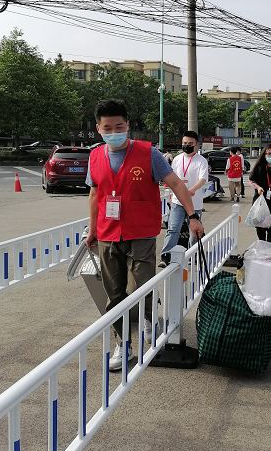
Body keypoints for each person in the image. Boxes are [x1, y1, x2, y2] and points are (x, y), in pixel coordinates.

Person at [86, 99, 204, 371]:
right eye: (107, 128)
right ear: (98, 129)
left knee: (141, 287)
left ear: (127, 125)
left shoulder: (148, 153)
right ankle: (123, 343)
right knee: (114, 295)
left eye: (119, 126)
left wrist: (193, 216)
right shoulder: (95, 157)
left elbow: (176, 184)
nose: (114, 132)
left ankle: (150, 320)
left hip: (141, 234)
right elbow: (94, 194)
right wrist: (92, 228)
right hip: (107, 234)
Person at [159, 130, 209, 266]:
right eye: (184, 143)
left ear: (196, 145)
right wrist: (171, 194)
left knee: (194, 232)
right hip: (177, 201)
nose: (186, 145)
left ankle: (192, 255)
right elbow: (173, 179)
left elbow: (203, 179)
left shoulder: (201, 161)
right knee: (173, 229)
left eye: (190, 143)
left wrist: (193, 189)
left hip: (195, 202)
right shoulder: (177, 159)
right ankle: (166, 255)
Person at [249, 144, 271, 244]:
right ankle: (262, 244)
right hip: (261, 199)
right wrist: (258, 187)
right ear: (264, 155)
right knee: (260, 225)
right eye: (269, 154)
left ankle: (270, 247)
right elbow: (251, 181)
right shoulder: (259, 167)